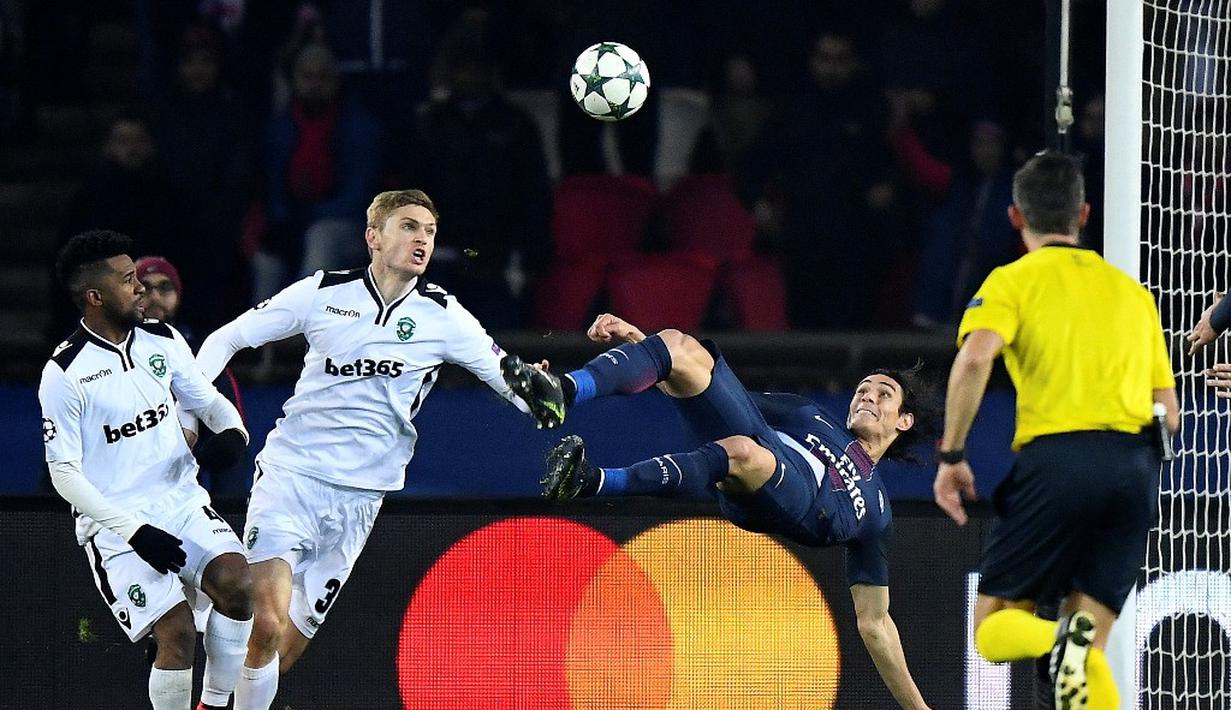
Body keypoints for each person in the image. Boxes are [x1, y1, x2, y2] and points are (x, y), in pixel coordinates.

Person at [190, 189, 536, 709]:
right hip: (292, 478)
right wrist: (192, 411)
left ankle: (219, 681)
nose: (422, 239)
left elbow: (517, 387)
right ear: (373, 237)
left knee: (281, 652)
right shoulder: (322, 293)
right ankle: (213, 702)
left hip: (361, 500)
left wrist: (543, 393)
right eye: (409, 226)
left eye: (430, 232)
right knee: (266, 621)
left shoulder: (444, 316)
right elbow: (226, 339)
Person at [502, 313, 934, 710]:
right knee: (681, 346)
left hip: (798, 501)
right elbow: (710, 391)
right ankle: (562, 391)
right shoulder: (811, 415)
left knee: (746, 453)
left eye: (884, 393)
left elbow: (875, 622)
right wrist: (642, 345)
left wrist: (919, 709)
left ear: (904, 421)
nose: (867, 396)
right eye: (863, 388)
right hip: (762, 451)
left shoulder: (877, 511)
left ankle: (596, 480)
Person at [931, 151, 1179, 710]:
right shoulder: (1132, 293)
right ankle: (1070, 641)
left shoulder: (1013, 281)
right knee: (1087, 656)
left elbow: (974, 360)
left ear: (1016, 217)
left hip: (1060, 462)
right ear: (1084, 214)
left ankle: (1058, 636)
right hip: (1136, 468)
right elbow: (1170, 408)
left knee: (994, 630)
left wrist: (952, 454)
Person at [39, 230, 254, 710]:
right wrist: (134, 531)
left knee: (238, 586)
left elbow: (207, 400)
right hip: (117, 526)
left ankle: (216, 704)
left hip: (179, 500)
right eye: (128, 279)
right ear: (95, 297)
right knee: (176, 631)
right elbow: (63, 473)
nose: (140, 289)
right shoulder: (65, 373)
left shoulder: (163, 339)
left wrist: (234, 435)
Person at [136, 255, 249, 496]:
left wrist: (231, 514)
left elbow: (229, 445)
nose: (155, 296)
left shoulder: (203, 359)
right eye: (144, 288)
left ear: (179, 295)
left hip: (180, 504)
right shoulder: (101, 356)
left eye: (165, 287)